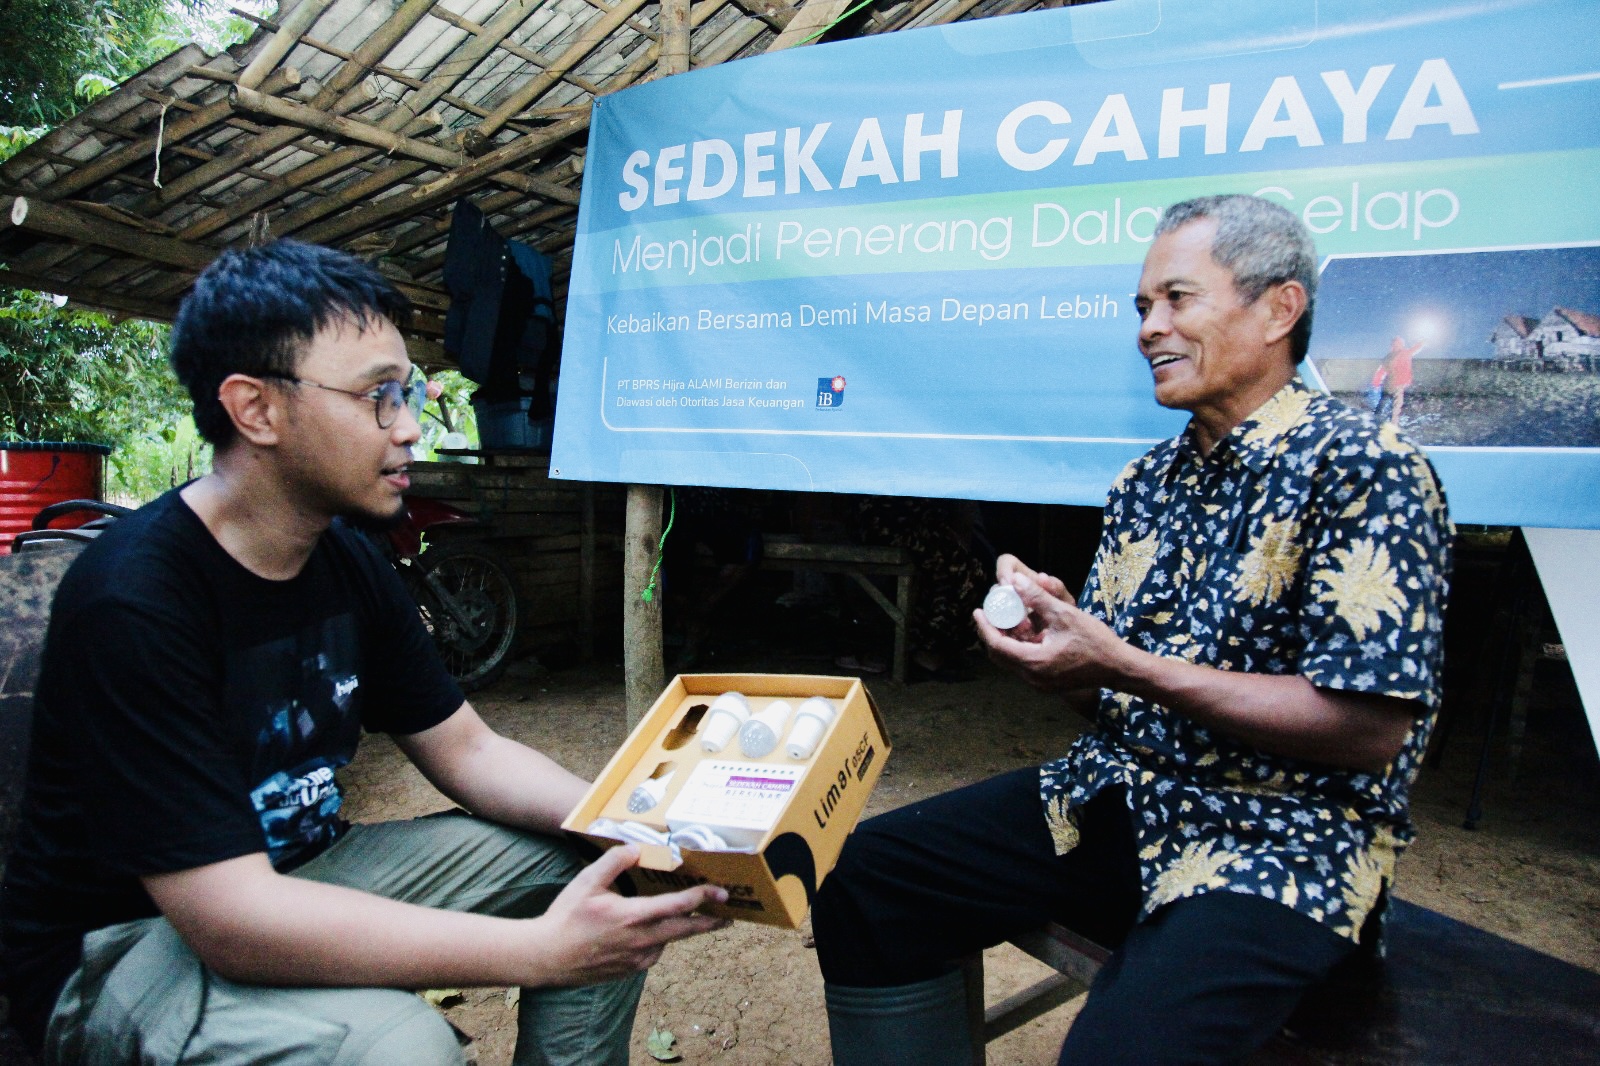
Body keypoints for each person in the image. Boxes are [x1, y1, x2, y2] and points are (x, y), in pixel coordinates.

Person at [0, 240, 728, 1066]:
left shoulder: (346, 557)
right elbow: (231, 921)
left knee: (594, 866)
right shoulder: (136, 599)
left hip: (296, 873)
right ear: (256, 410)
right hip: (127, 947)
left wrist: (629, 828)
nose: (412, 426)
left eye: (408, 391)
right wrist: (540, 952)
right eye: (379, 396)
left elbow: (470, 748)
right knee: (402, 1047)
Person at [810, 194, 1452, 1065]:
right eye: (1142, 308)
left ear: (1279, 308)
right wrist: (1064, 653)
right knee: (871, 877)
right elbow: (1113, 704)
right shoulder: (1145, 482)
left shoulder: (1367, 466)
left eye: (1176, 299)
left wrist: (1126, 664)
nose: (1150, 327)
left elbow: (1370, 729)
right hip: (1118, 800)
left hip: (1281, 840)